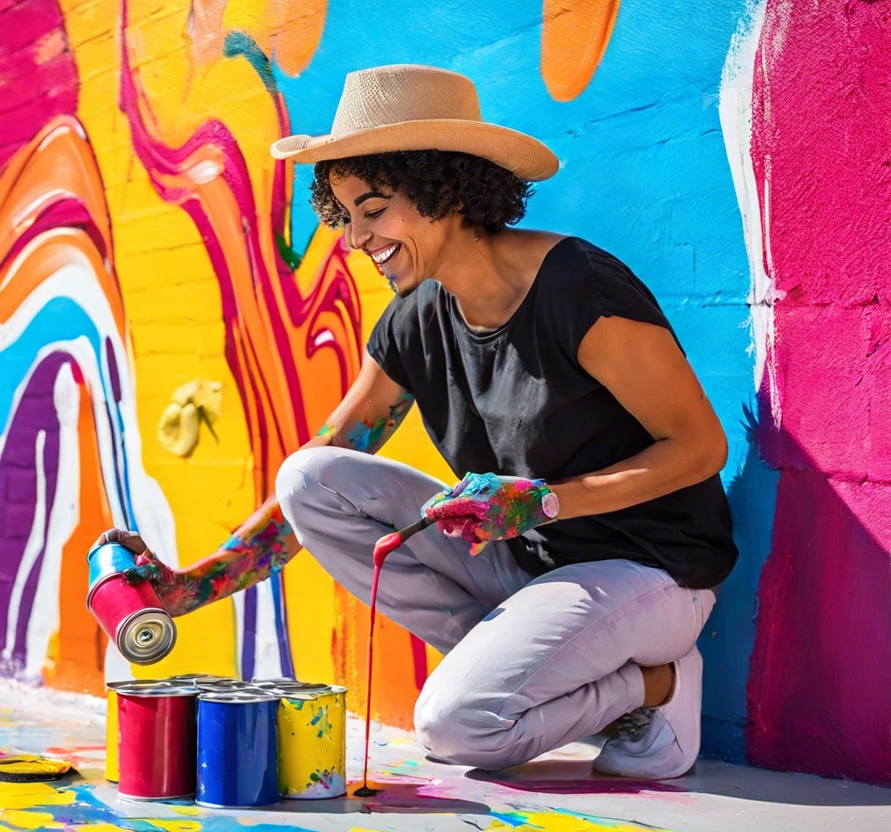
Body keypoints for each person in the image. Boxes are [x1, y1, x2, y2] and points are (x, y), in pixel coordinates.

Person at [95, 64, 738, 780]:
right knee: (311, 477)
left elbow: (700, 447)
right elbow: (327, 460)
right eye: (345, 217)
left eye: (373, 209)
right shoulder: (414, 323)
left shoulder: (576, 287)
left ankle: (657, 686)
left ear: (446, 189)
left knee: (457, 728)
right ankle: (522, 668)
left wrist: (546, 502)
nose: (353, 239)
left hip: (649, 570)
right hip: (529, 567)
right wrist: (192, 588)